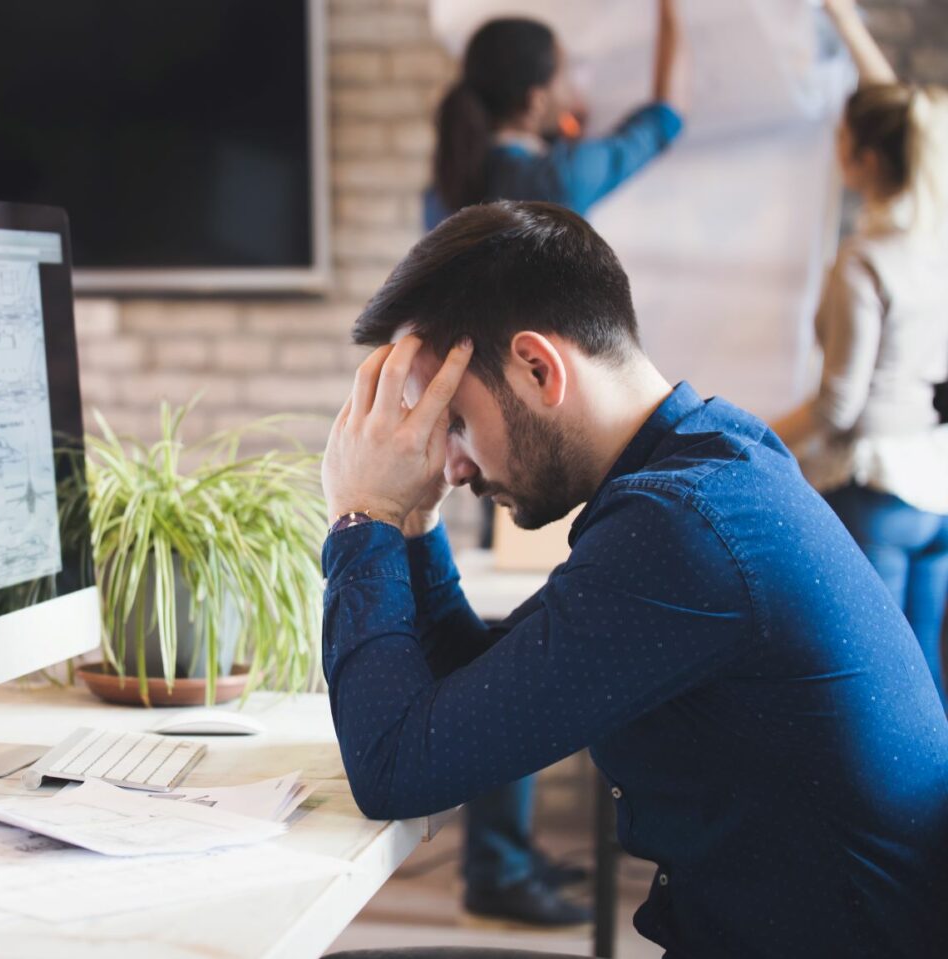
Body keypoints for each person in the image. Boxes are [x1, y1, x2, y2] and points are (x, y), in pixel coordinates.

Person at [319, 201, 948, 957]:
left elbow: (394, 767)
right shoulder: (708, 465)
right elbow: (469, 692)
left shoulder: (687, 528)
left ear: (538, 368)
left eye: (452, 422)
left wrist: (364, 514)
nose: (449, 464)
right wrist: (412, 522)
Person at [425, 2, 688, 926]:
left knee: (498, 642)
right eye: (566, 75)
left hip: (456, 429)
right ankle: (499, 862)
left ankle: (504, 854)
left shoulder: (450, 180)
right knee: (518, 656)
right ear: (538, 94)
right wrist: (673, 30)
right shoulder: (546, 179)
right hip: (506, 432)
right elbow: (657, 126)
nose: (577, 91)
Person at [772, 0, 948, 712]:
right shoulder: (935, 241)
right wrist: (843, 20)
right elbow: (903, 110)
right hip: (934, 489)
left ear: (865, 158)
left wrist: (747, 433)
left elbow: (838, 407)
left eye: (841, 137)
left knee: (871, 693)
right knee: (927, 687)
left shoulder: (864, 262)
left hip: (873, 489)